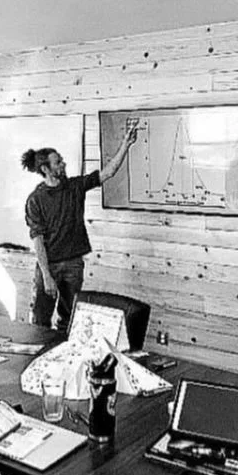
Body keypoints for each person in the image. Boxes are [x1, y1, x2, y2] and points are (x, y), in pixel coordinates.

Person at [22, 120, 138, 335]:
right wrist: (46, 275)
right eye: (58, 163)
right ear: (46, 169)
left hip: (74, 264)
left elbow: (108, 172)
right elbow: (37, 241)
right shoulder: (35, 200)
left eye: (62, 161)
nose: (63, 164)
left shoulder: (75, 187)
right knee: (40, 320)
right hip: (49, 265)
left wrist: (126, 144)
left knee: (70, 319)